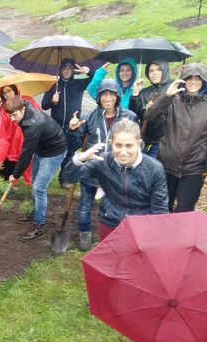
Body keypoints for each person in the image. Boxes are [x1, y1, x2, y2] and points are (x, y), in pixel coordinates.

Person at [68, 79, 139, 250]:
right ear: (99, 97)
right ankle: (85, 235)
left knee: (115, 206)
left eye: (111, 94)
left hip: (116, 171)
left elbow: (135, 141)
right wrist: (72, 129)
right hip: (93, 169)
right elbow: (75, 143)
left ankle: (113, 236)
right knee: (85, 204)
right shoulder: (89, 117)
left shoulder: (128, 116)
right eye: (103, 95)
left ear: (116, 96)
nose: (107, 98)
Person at [72, 119, 169, 242]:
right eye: (118, 145)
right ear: (111, 143)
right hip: (110, 222)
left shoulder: (154, 168)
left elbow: (160, 208)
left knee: (134, 261)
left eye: (129, 145)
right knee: (109, 260)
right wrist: (81, 158)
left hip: (141, 227)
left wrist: (157, 236)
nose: (123, 152)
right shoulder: (103, 161)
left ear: (139, 144)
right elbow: (70, 177)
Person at [145, 63, 207, 212]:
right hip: (167, 165)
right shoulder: (172, 101)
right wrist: (166, 96)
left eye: (198, 78)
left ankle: (179, 235)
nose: (193, 82)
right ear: (182, 80)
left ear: (204, 81)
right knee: (163, 207)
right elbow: (150, 116)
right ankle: (162, 235)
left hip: (194, 169)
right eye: (189, 78)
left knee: (184, 209)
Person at [5, 96, 68, 241]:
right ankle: (33, 213)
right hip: (42, 149)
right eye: (9, 116)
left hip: (54, 152)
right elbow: (28, 150)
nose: (12, 119)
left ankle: (39, 226)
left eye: (14, 115)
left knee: (39, 188)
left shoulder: (32, 124)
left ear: (22, 109)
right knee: (34, 184)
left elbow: (26, 154)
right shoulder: (25, 113)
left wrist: (15, 175)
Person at [41, 58, 94, 185]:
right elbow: (44, 105)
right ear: (60, 70)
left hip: (73, 125)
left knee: (69, 152)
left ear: (73, 71)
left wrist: (88, 71)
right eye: (64, 68)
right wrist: (52, 101)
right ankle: (45, 177)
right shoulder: (54, 85)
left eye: (69, 68)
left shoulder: (79, 84)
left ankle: (63, 178)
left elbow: (92, 77)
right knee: (54, 152)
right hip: (56, 126)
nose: (66, 70)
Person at [0, 84, 39, 196]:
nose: (7, 94)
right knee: (3, 163)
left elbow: (37, 115)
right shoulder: (3, 106)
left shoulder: (26, 100)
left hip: (20, 140)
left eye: (9, 91)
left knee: (15, 164)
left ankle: (8, 187)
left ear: (15, 90)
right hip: (7, 142)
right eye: (4, 92)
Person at [129, 60, 171, 158]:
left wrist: (154, 109)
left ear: (164, 71)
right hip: (145, 138)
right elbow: (135, 114)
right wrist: (135, 94)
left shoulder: (172, 88)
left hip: (163, 140)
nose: (154, 73)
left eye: (158, 70)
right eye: (151, 71)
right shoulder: (144, 92)